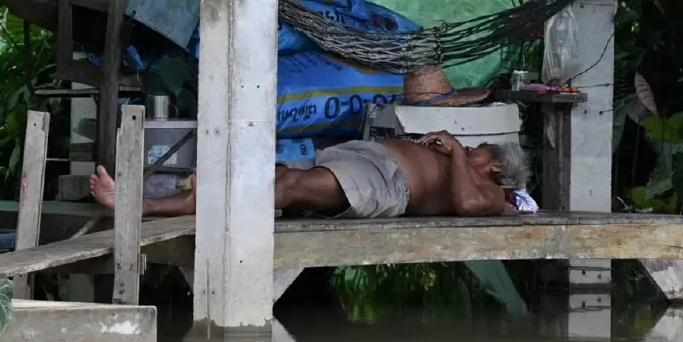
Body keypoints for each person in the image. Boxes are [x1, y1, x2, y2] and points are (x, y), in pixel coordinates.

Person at [88, 130, 529, 218]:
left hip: (384, 183)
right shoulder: (461, 166)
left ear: (496, 166)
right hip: (364, 157)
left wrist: (453, 152)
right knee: (278, 179)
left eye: (478, 150)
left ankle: (215, 200)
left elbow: (468, 205)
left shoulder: (491, 195)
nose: (468, 148)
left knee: (289, 187)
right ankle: (135, 204)